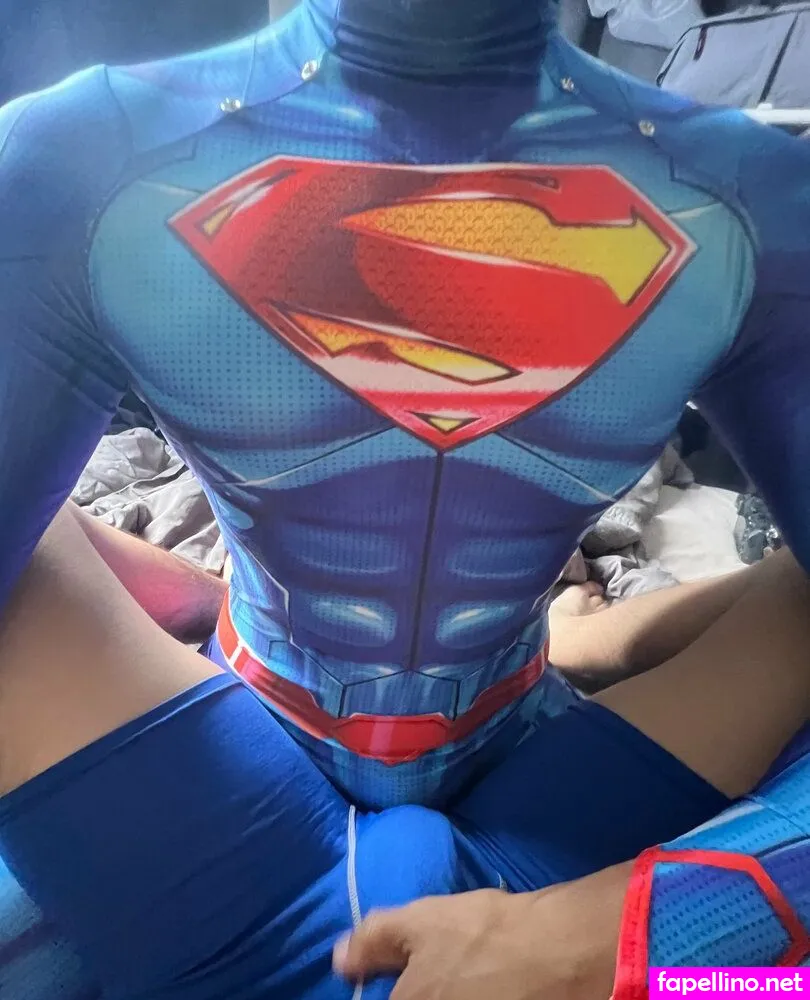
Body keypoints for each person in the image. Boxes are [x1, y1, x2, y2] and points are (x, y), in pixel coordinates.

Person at [1, 0, 810, 986]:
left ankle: (590, 642)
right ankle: (594, 643)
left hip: (280, 783)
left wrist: (612, 937)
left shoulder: (83, 160)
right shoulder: (746, 197)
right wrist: (638, 939)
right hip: (329, 768)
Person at [0, 505, 808, 1000]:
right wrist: (618, 946)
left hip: (237, 946)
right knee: (796, 607)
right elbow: (775, 983)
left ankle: (577, 644)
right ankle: (581, 644)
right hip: (547, 917)